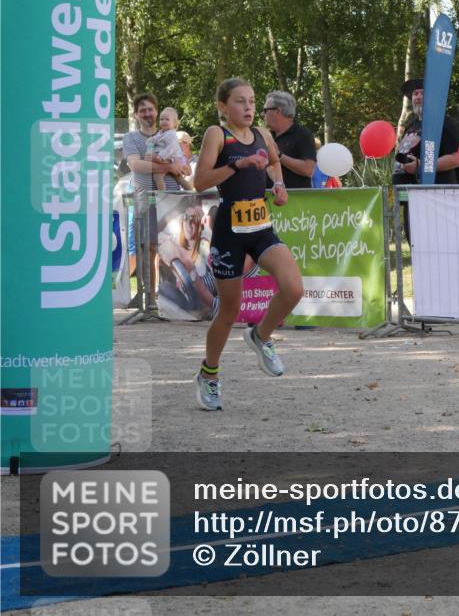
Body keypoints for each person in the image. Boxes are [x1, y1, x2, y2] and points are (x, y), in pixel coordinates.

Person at [192, 78, 304, 411]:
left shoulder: (263, 134)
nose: (249, 107)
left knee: (293, 288)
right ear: (223, 107)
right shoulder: (218, 134)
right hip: (229, 230)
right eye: (240, 102)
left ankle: (261, 336)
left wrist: (280, 184)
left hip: (260, 225)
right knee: (228, 311)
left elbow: (272, 161)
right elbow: (200, 181)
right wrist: (236, 164)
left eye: (252, 101)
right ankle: (209, 374)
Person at [123, 94, 185, 293]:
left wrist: (175, 167)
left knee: (172, 249)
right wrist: (166, 168)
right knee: (147, 249)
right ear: (136, 114)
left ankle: (171, 298)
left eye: (150, 109)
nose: (147, 113)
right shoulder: (131, 138)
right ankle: (150, 300)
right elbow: (135, 164)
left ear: (157, 111)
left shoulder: (169, 135)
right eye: (142, 110)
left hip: (172, 200)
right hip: (146, 200)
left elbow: (182, 166)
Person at [391, 77, 459, 241]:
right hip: (412, 199)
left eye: (423, 93)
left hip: (437, 199)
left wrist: (423, 167)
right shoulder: (411, 125)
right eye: (415, 94)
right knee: (417, 251)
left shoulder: (446, 123)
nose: (417, 97)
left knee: (437, 250)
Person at [263, 90, 317, 190]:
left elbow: (308, 170)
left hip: (294, 200)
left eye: (265, 110)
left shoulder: (302, 134)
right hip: (267, 199)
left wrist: (279, 155)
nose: (263, 114)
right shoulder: (266, 135)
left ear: (278, 111)